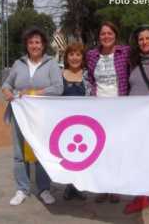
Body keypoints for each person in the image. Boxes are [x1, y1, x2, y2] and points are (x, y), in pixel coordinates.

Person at [2, 26, 64, 206]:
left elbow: (58, 88)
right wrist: (6, 90)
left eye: (37, 42)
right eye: (31, 42)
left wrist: (35, 92)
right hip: (19, 115)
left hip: (42, 116)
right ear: (26, 45)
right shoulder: (18, 63)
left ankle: (44, 189)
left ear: (43, 45)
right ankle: (22, 189)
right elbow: (6, 83)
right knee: (19, 153)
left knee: (40, 151)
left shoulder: (51, 63)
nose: (34, 45)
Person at [86, 21, 130, 203]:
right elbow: (89, 78)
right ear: (99, 37)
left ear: (115, 35)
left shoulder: (124, 52)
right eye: (103, 34)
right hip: (99, 110)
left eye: (109, 33)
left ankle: (115, 188)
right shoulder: (91, 55)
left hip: (119, 109)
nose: (106, 36)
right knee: (101, 148)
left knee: (116, 149)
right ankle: (103, 187)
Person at [123, 25, 149, 214]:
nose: (144, 42)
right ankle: (139, 195)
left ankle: (145, 196)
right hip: (134, 117)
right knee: (135, 157)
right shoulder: (133, 62)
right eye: (141, 39)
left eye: (148, 38)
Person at [61, 42, 90, 200]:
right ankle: (69, 186)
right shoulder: (60, 75)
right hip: (65, 124)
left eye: (78, 54)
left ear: (82, 57)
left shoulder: (87, 75)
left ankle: (78, 186)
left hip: (84, 123)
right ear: (66, 57)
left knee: (81, 156)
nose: (74, 57)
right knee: (67, 155)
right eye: (71, 54)